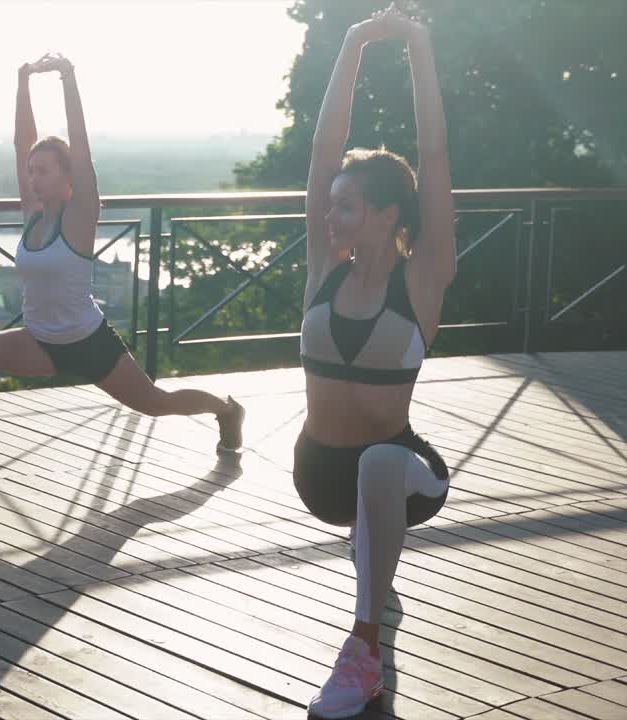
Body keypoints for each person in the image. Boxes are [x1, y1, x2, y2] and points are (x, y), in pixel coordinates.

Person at [0, 53, 245, 490]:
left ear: (70, 179)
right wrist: (22, 81)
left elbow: (81, 149)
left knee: (157, 402)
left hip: (88, 343)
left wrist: (68, 79)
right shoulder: (33, 215)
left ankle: (225, 409)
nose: (33, 179)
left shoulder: (81, 216)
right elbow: (20, 142)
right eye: (31, 172)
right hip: (41, 342)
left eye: (43, 171)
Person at [295, 7, 456, 718]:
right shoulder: (322, 272)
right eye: (331, 207)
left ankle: (365, 653)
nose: (332, 217)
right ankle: (368, 543)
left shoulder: (420, 281)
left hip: (401, 471)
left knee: (379, 465)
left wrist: (419, 47)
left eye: (349, 208)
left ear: (392, 215)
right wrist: (354, 41)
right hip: (319, 477)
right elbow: (324, 153)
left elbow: (436, 157)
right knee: (359, 473)